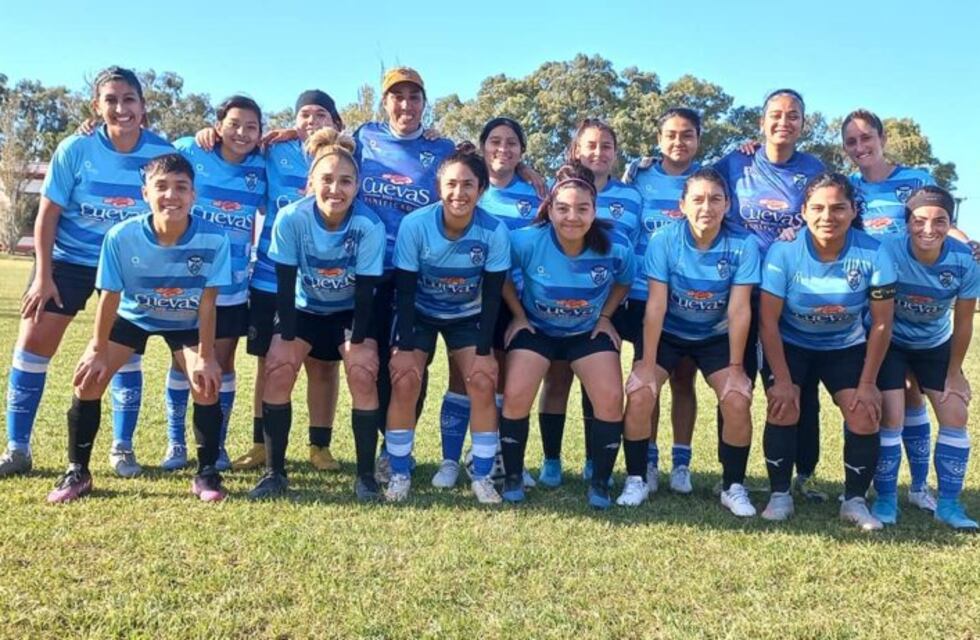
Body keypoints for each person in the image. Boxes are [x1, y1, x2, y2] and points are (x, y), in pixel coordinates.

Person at [0, 66, 173, 479]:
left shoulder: (161, 153)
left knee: (124, 356)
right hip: (69, 262)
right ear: (97, 106)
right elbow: (48, 215)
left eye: (129, 99)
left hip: (128, 269)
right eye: (111, 100)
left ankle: (122, 447)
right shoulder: (74, 149)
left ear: (143, 107)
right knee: (32, 344)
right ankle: (17, 449)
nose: (120, 108)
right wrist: (43, 275)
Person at [46, 153, 231, 503]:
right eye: (161, 186)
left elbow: (208, 304)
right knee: (88, 379)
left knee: (206, 384)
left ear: (194, 195)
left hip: (185, 319)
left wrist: (206, 357)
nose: (171, 196)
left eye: (181, 187)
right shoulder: (120, 236)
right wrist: (97, 348)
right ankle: (78, 472)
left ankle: (207, 474)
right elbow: (110, 298)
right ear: (145, 193)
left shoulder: (214, 238)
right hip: (133, 316)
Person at [842, 108, 979, 512]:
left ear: (882, 138)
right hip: (881, 308)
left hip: (927, 310)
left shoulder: (917, 179)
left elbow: (937, 220)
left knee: (918, 398)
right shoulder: (850, 188)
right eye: (851, 142)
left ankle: (921, 488)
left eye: (866, 138)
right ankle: (886, 494)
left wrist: (965, 243)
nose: (860, 147)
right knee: (894, 403)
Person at [212, 90, 347, 473]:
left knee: (323, 366)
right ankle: (261, 443)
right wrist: (210, 132)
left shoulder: (348, 157)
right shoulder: (273, 151)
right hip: (271, 279)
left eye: (320, 114)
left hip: (324, 285)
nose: (311, 121)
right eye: (303, 114)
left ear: (336, 123)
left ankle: (319, 445)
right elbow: (236, 144)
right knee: (268, 364)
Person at [247, 129, 386, 501]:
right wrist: (288, 341)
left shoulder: (369, 225)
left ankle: (366, 477)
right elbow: (284, 283)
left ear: (358, 186)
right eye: (327, 180)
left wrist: (357, 343)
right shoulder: (291, 219)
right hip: (304, 309)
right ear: (310, 182)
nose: (335, 190)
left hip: (349, 312)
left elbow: (366, 292)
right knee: (277, 367)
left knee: (362, 372)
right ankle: (275, 473)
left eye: (345, 181)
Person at [758, 173, 895, 531]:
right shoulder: (784, 251)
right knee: (784, 406)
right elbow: (768, 322)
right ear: (803, 211)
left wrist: (867, 383)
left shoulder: (874, 252)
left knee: (864, 413)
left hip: (844, 346)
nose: (827, 216)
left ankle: (854, 501)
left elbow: (881, 323)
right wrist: (783, 380)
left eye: (838, 208)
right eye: (817, 207)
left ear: (852, 211)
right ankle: (779, 495)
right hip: (791, 344)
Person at [622, 168, 758, 514]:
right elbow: (655, 305)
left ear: (728, 204)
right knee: (640, 392)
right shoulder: (664, 240)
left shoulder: (743, 244)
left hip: (716, 336)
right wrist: (647, 364)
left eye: (715, 199)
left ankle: (733, 486)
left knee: (737, 398)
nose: (706, 207)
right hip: (669, 331)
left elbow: (740, 310)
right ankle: (637, 478)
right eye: (697, 199)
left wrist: (737, 368)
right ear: (682, 204)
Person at [500, 162, 634, 509]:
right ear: (550, 209)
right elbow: (498, 271)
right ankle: (514, 476)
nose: (571, 217)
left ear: (594, 210)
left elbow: (624, 280)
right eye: (562, 208)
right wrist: (517, 315)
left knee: (609, 398)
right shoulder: (526, 240)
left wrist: (605, 316)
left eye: (582, 208)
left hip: (585, 332)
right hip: (538, 330)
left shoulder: (615, 245)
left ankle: (601, 482)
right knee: (515, 394)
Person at [715, 89, 827, 501]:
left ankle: (805, 474)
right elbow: (694, 183)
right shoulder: (734, 161)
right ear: (761, 123)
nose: (784, 122)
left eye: (793, 115)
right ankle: (732, 476)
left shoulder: (814, 168)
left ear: (803, 123)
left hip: (792, 293)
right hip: (740, 291)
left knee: (799, 386)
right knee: (736, 381)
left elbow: (831, 209)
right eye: (776, 115)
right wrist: (643, 166)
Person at [383, 146, 510, 503]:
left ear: (482, 189)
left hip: (467, 315)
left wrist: (484, 352)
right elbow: (405, 291)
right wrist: (405, 348)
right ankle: (398, 472)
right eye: (451, 184)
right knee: (405, 380)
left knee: (483, 381)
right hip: (419, 311)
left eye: (468, 184)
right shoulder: (416, 224)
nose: (459, 193)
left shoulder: (494, 230)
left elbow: (494, 295)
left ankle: (482, 477)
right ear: (439, 187)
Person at [352, 67, 457, 481]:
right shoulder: (364, 137)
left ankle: (396, 449)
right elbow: (323, 144)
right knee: (372, 360)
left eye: (414, 97)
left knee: (412, 363)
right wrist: (289, 133)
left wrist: (527, 172)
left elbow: (472, 177)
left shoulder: (441, 147)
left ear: (424, 104)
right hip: (368, 271)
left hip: (416, 273)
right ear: (385, 102)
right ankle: (385, 441)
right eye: (398, 97)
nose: (406, 105)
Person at [432, 117, 541, 490]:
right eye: (495, 141)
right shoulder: (469, 186)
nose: (503, 149)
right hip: (469, 298)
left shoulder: (536, 192)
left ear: (522, 151)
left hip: (516, 299)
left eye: (512, 143)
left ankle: (497, 456)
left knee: (503, 382)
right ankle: (449, 459)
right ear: (482, 147)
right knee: (462, 379)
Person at [160, 95, 267, 472]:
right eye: (234, 123)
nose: (241, 133)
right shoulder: (191, 149)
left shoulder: (261, 166)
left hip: (233, 287)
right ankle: (175, 442)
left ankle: (216, 444)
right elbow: (154, 166)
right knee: (182, 366)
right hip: (185, 285)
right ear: (218, 125)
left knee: (222, 364)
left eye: (251, 126)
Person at [536, 119, 642, 489]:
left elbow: (632, 250)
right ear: (576, 150)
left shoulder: (631, 194)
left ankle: (594, 460)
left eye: (607, 146)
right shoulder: (556, 189)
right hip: (559, 302)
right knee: (558, 376)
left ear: (616, 153)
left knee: (597, 381)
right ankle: (551, 459)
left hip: (607, 301)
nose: (598, 153)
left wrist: (607, 313)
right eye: (590, 145)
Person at [871, 186, 978, 530]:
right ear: (906, 224)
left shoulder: (965, 261)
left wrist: (955, 372)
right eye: (919, 221)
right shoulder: (888, 250)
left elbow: (963, 323)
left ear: (950, 223)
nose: (928, 229)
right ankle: (886, 499)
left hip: (934, 344)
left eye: (939, 221)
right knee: (892, 415)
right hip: (892, 341)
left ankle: (946, 503)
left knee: (955, 412)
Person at [621, 107, 703, 494]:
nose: (678, 142)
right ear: (658, 138)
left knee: (684, 380)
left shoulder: (709, 179)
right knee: (649, 376)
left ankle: (681, 463)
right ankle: (648, 461)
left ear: (698, 140)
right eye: (671, 134)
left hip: (689, 298)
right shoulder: (638, 176)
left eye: (687, 134)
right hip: (642, 293)